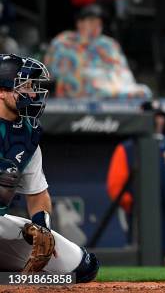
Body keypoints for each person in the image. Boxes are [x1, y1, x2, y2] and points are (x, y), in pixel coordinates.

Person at [0, 54, 99, 281]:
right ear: (1, 91)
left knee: (82, 266)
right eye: (24, 86)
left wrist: (41, 228)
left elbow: (37, 194)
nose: (33, 93)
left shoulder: (26, 133)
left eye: (33, 86)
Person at [107, 100, 165, 267]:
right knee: (139, 268)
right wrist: (134, 206)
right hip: (140, 220)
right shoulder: (127, 148)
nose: (158, 120)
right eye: (153, 116)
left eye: (160, 116)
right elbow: (116, 186)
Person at [44, 4, 151, 98]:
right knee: (96, 84)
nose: (96, 26)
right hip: (77, 89)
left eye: (99, 23)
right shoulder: (64, 42)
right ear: (79, 23)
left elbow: (122, 70)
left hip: (110, 85)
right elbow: (54, 72)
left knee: (143, 91)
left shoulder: (108, 44)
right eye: (91, 21)